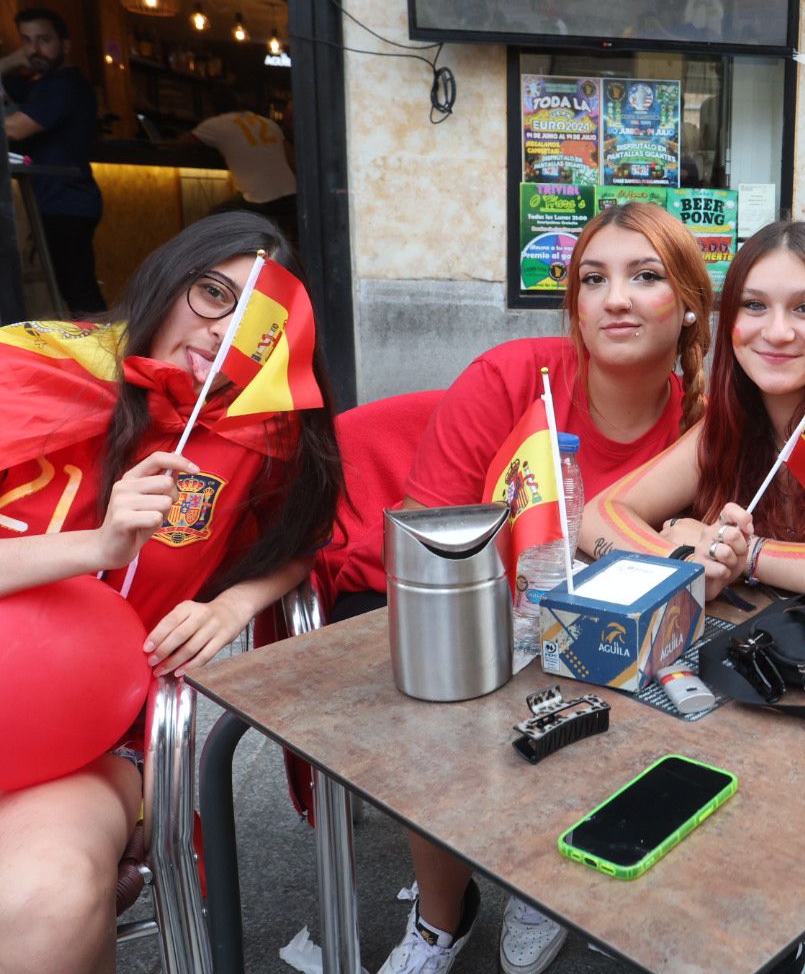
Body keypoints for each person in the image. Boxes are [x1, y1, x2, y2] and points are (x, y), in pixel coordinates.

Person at [337, 201, 713, 974]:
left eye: (645, 278)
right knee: (436, 700)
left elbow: (697, 574)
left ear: (686, 306)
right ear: (572, 301)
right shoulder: (512, 379)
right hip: (483, 611)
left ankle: (547, 878)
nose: (615, 298)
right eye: (593, 279)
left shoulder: (705, 422)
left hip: (612, 645)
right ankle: (444, 916)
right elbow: (427, 531)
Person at [582, 219, 805, 974]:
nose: (778, 332)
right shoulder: (731, 415)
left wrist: (749, 557)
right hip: (764, 684)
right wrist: (686, 559)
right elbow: (599, 517)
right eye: (755, 307)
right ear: (728, 320)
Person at [0, 211, 341, 974]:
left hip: (94, 739)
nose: (222, 331)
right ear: (170, 275)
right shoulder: (25, 370)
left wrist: (231, 604)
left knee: (42, 896)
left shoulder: (256, 441)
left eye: (254, 323)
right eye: (212, 293)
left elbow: (298, 547)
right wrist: (97, 545)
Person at [1, 7, 105, 312]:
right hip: (54, 200)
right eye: (27, 40)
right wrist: (16, 59)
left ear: (66, 44)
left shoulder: (66, 84)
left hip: (69, 202)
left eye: (44, 40)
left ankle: (105, 357)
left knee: (80, 295)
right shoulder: (39, 84)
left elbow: (16, 128)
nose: (34, 49)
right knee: (72, 293)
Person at [171, 87, 298, 238]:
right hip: (292, 196)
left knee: (213, 219)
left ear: (211, 108)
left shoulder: (215, 124)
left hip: (260, 200)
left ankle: (235, 256)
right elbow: (291, 158)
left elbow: (180, 144)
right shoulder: (268, 122)